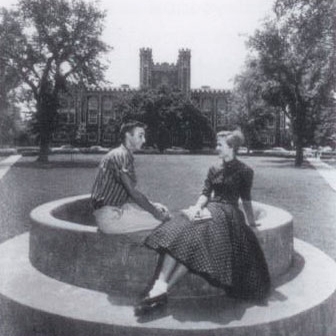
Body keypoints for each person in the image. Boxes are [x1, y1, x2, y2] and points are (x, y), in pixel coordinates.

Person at [135, 130, 271, 316]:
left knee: (196, 240)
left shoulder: (245, 171)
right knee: (181, 232)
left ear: (231, 148)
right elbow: (206, 193)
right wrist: (197, 207)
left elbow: (246, 200)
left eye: (220, 145)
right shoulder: (214, 169)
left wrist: (252, 223)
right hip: (211, 208)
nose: (216, 148)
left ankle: (159, 289)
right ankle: (160, 288)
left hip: (229, 214)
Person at [91, 120, 170, 234]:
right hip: (110, 217)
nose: (144, 140)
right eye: (140, 136)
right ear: (128, 136)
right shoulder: (121, 155)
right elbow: (133, 193)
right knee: (162, 220)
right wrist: (155, 212)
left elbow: (125, 194)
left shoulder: (123, 154)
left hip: (115, 210)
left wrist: (153, 206)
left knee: (161, 211)